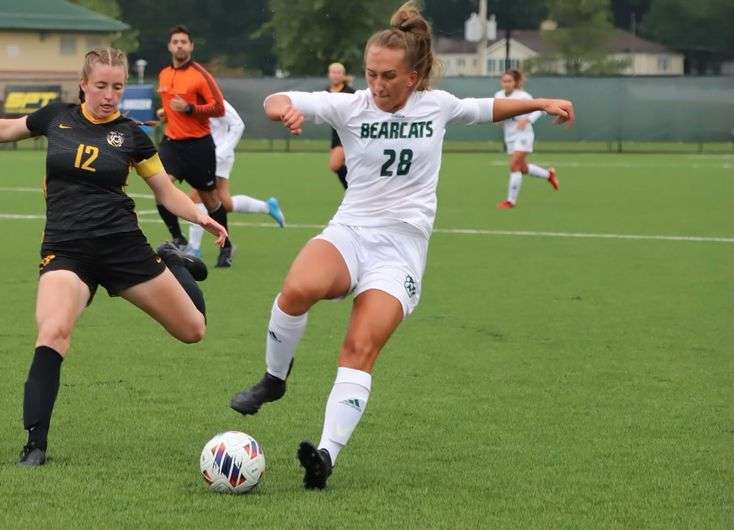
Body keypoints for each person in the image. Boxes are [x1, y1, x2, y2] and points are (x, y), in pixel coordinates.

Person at [229, 1, 574, 490]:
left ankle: (325, 456)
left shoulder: (437, 106)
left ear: (413, 77)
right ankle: (274, 378)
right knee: (297, 288)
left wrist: (540, 103)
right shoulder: (350, 105)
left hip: (401, 249)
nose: (376, 84)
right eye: (370, 73)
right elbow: (279, 98)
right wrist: (281, 107)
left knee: (359, 348)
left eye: (387, 75)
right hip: (351, 230)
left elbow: (487, 109)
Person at [0, 47, 228, 467]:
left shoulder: (132, 135)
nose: (109, 95)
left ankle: (172, 261)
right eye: (101, 86)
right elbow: (5, 129)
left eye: (117, 87)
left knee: (193, 330)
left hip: (123, 247)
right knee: (53, 330)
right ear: (83, 84)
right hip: (66, 248)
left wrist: (201, 217)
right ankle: (35, 444)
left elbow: (165, 192)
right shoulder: (56, 117)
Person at [155, 25, 233, 266]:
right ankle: (177, 238)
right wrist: (166, 114)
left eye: (184, 42)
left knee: (211, 200)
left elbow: (218, 108)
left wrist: (190, 109)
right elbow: (171, 106)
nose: (179, 45)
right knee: (161, 186)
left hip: (199, 146)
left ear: (190, 46)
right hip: (171, 144)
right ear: (170, 46)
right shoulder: (164, 74)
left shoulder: (200, 75)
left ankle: (226, 246)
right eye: (175, 41)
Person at [183, 99, 286, 260]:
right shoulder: (190, 99)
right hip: (205, 155)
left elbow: (238, 125)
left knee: (198, 197)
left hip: (218, 156)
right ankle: (267, 207)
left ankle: (193, 248)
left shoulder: (216, 101)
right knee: (224, 203)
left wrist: (220, 153)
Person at [495, 69, 559, 209]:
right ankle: (549, 175)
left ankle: (510, 201)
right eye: (504, 81)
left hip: (524, 135)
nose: (506, 84)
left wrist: (527, 120)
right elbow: (496, 112)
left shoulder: (523, 96)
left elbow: (539, 109)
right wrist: (497, 119)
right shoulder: (498, 95)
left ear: (515, 82)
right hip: (510, 136)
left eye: (509, 81)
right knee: (522, 168)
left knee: (514, 166)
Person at [326, 63, 356, 188]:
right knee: (340, 166)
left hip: (349, 132)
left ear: (343, 75)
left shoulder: (351, 93)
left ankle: (353, 189)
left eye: (339, 72)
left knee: (334, 164)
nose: (336, 75)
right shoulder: (326, 92)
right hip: (335, 134)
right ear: (329, 74)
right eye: (333, 72)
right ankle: (353, 190)